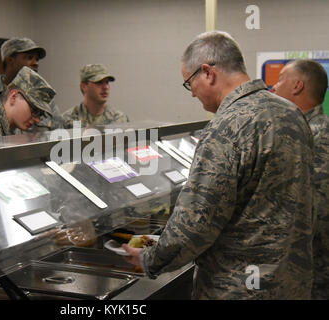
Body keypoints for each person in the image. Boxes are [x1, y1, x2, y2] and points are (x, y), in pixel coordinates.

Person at [123, 31, 315, 299]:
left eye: (189, 83)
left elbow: (196, 224)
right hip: (293, 282)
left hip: (239, 288)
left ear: (207, 73)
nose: (192, 94)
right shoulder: (291, 113)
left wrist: (150, 258)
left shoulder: (227, 127)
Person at [272, 59, 329, 300]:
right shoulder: (310, 130)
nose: (273, 86)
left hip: (314, 274)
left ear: (297, 86)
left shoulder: (314, 139)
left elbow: (314, 215)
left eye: (281, 78)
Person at [0, 37, 63, 130]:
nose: (35, 63)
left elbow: (58, 133)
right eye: (29, 57)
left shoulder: (40, 98)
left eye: (37, 59)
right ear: (11, 60)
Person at [62, 64, 129, 128]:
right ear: (84, 86)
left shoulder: (120, 120)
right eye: (99, 82)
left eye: (107, 82)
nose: (105, 87)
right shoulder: (68, 121)